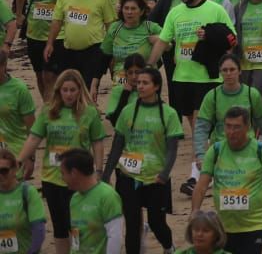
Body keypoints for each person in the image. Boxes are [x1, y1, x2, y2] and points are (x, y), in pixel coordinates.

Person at [23, 68, 109, 253]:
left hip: (78, 179)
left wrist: (99, 170)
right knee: (60, 227)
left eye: (72, 90)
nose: (68, 94)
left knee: (77, 226)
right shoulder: (48, 111)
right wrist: (19, 160)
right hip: (51, 177)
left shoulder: (90, 113)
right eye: (65, 90)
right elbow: (33, 139)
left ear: (80, 90)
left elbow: (98, 143)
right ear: (58, 91)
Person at [189, 105, 262, 254]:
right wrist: (194, 213)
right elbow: (201, 187)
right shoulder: (215, 151)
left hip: (255, 226)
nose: (231, 132)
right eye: (228, 127)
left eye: (237, 127)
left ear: (248, 127)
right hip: (223, 228)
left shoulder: (261, 151)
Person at [106, 66, 182, 254]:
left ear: (156, 86)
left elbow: (172, 149)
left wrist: (164, 174)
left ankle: (168, 246)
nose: (139, 86)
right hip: (128, 176)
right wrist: (106, 175)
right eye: (138, 82)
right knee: (132, 225)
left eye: (145, 83)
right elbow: (117, 146)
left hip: (155, 178)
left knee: (157, 223)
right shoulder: (127, 111)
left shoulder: (169, 114)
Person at [59, 151, 125, 254]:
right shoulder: (74, 198)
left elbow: (115, 237)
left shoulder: (107, 196)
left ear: (74, 173)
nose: (61, 178)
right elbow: (76, 236)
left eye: (63, 173)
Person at [0, 147, 48, 254]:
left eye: (4, 171)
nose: (0, 175)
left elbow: (39, 231)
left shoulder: (27, 192)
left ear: (15, 169)